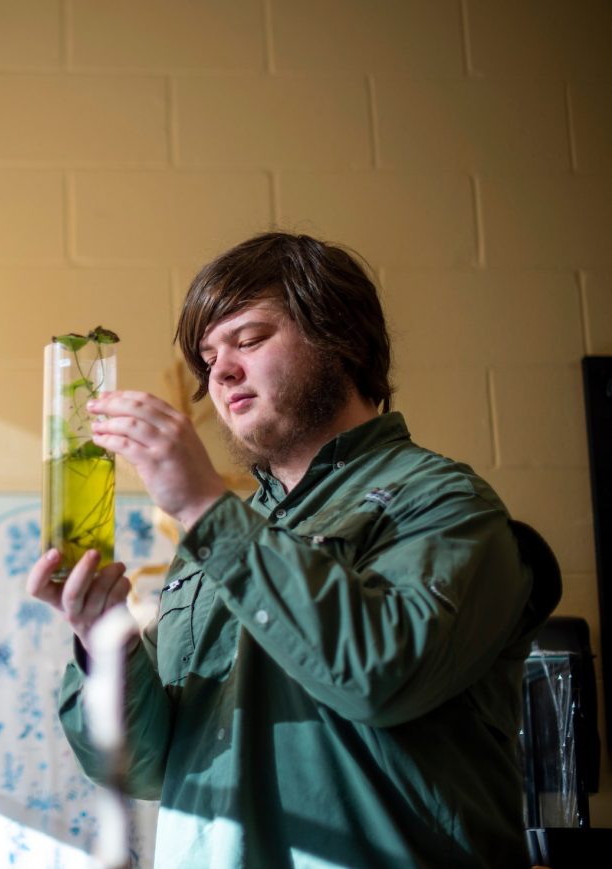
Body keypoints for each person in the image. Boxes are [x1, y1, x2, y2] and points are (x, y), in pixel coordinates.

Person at [28, 232, 559, 868]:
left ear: (341, 339)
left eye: (249, 340)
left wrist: (201, 507)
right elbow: (141, 767)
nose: (220, 372)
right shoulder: (213, 544)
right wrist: (101, 637)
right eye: (207, 357)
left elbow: (380, 678)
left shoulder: (445, 502)